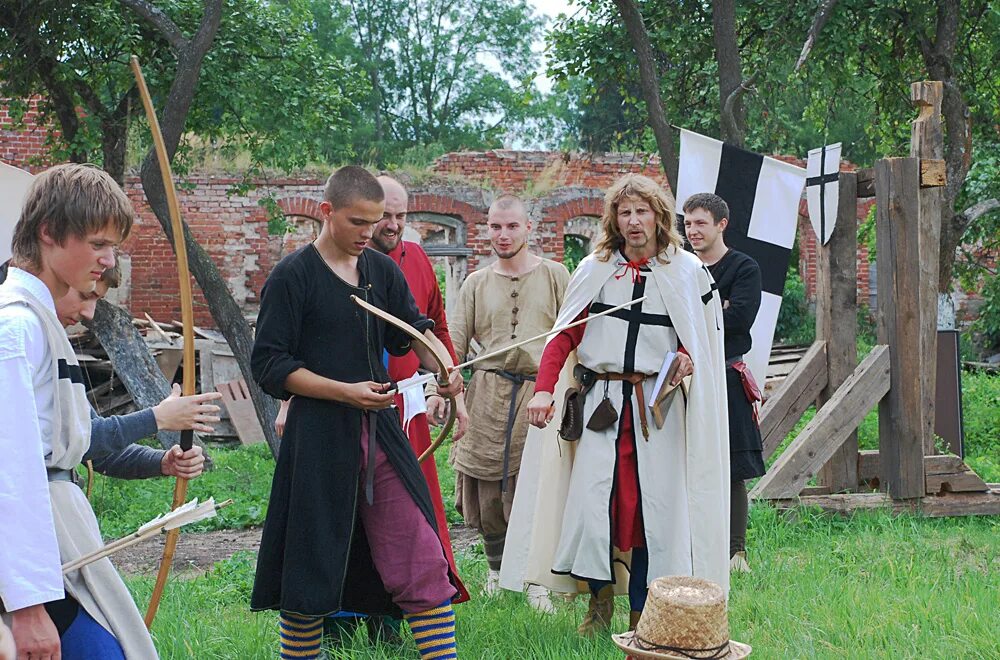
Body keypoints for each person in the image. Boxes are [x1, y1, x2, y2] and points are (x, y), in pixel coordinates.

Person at [251, 166, 464, 660]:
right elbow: (271, 365)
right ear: (326, 212)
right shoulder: (293, 276)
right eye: (358, 221)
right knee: (309, 570)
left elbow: (412, 331)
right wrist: (344, 392)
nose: (370, 232)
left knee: (420, 553)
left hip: (379, 432)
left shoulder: (381, 271)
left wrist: (442, 367)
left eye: (377, 221)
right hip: (318, 437)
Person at [503, 174, 729, 636]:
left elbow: (700, 341)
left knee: (652, 516)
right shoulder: (595, 268)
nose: (633, 221)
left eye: (642, 211)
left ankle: (643, 613)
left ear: (659, 216)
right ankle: (599, 602)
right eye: (625, 212)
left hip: (657, 412)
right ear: (614, 219)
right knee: (594, 510)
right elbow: (564, 336)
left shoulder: (685, 271)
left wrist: (686, 359)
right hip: (601, 408)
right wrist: (543, 390)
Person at [0, 163, 158, 659]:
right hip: (30, 548)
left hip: (55, 532)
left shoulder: (37, 321)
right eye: (97, 244)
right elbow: (11, 470)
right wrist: (27, 606)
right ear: (48, 232)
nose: (108, 260)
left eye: (113, 246)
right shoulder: (16, 328)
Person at [448, 195, 569, 610]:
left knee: (533, 483)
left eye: (512, 226)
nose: (503, 235)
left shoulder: (555, 274)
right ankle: (497, 572)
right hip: (487, 393)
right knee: (487, 490)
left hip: (540, 393)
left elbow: (572, 335)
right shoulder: (476, 283)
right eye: (496, 227)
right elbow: (454, 342)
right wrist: (440, 390)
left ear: (528, 228)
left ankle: (536, 580)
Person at [682, 192, 766, 573]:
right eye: (688, 223)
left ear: (721, 224)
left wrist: (702, 315)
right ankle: (690, 548)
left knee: (731, 468)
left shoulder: (743, 268)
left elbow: (739, 319)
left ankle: (735, 553)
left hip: (726, 376)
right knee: (683, 463)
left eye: (701, 222)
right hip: (682, 379)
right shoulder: (681, 268)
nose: (692, 230)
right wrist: (719, 306)